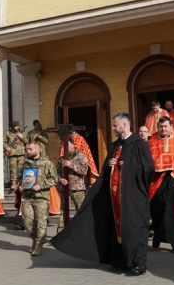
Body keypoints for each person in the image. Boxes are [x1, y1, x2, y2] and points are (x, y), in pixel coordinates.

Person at [52, 113, 154, 275]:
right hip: (115, 198)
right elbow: (106, 167)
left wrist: (127, 165)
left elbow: (148, 168)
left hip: (133, 197)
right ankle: (121, 260)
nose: (113, 127)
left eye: (115, 125)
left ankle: (138, 263)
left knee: (134, 228)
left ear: (125, 125)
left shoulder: (139, 144)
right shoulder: (115, 146)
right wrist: (109, 165)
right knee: (116, 228)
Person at [148, 116, 174, 253]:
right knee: (157, 209)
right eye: (161, 126)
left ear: (171, 127)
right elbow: (148, 161)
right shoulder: (151, 143)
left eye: (166, 126)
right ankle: (157, 237)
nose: (163, 129)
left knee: (173, 210)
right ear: (157, 128)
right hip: (157, 179)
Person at [18, 142, 57, 256]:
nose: (27, 151)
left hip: (41, 197)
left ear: (38, 149)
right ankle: (35, 240)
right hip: (27, 197)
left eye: (30, 149)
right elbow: (20, 178)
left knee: (41, 222)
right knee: (27, 222)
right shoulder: (26, 164)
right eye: (27, 149)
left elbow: (54, 179)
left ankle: (39, 244)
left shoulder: (47, 163)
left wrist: (41, 185)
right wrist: (21, 185)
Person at [56, 138, 89, 233]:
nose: (65, 147)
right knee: (63, 211)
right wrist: (60, 179)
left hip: (77, 189)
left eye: (67, 145)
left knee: (80, 211)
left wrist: (71, 164)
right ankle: (61, 234)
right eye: (64, 145)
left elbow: (84, 171)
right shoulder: (62, 158)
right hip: (65, 188)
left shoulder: (80, 156)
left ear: (73, 145)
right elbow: (56, 172)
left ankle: (83, 233)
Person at [4, 121, 26, 189]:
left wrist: (22, 137)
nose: (17, 127)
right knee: (12, 169)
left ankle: (19, 183)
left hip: (21, 154)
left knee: (20, 169)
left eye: (17, 126)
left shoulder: (22, 133)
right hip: (12, 154)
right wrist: (7, 147)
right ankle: (13, 183)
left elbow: (26, 142)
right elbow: (3, 141)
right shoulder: (8, 133)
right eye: (15, 126)